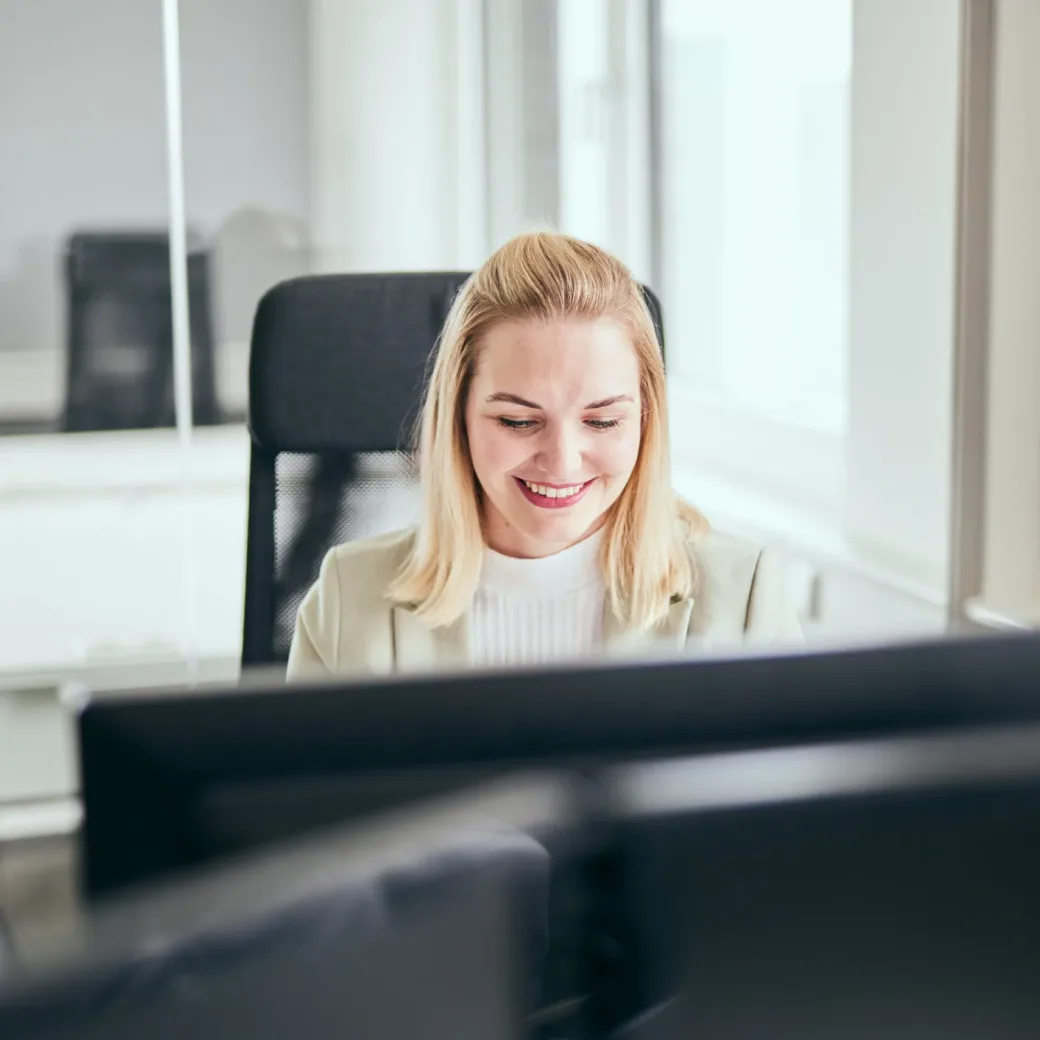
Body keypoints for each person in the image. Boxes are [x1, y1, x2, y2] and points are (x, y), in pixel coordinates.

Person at [288, 232, 803, 678]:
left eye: (602, 421)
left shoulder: (744, 604)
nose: (562, 462)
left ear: (646, 419)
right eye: (518, 421)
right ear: (459, 417)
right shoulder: (346, 599)